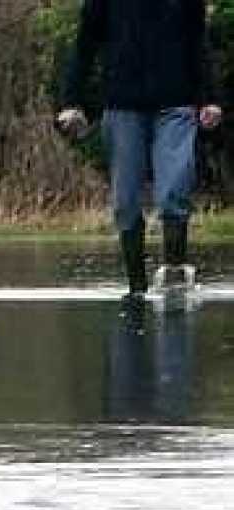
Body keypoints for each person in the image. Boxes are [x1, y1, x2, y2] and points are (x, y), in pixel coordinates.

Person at [57, 0, 223, 299]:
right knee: (125, 201)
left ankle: (174, 272)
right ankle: (136, 287)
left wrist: (210, 98)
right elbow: (85, 44)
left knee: (174, 189)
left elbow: (199, 43)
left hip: (176, 103)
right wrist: (71, 102)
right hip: (122, 105)